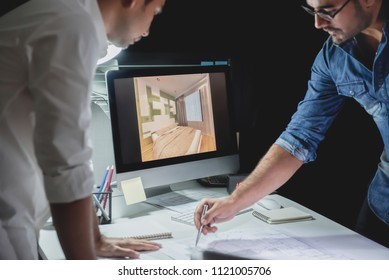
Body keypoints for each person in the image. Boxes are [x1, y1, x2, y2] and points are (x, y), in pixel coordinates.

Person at [195, 0, 389, 248]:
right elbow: (299, 139)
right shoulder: (333, 57)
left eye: (328, 11)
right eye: (312, 11)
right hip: (383, 201)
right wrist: (236, 201)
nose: (318, 24)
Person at [0, 0, 166, 259]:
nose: (148, 30)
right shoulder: (73, 26)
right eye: (154, 12)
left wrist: (96, 238)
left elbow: (70, 158)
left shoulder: (68, 14)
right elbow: (67, 166)